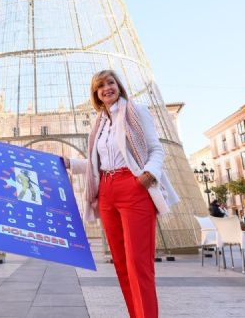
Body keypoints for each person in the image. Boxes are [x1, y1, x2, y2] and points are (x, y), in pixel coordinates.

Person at [63, 70, 178, 318]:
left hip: (133, 186)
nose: (107, 88)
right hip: (107, 191)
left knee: (139, 264)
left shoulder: (137, 112)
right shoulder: (100, 123)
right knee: (123, 265)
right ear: (96, 94)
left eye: (110, 83)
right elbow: (96, 164)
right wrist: (70, 163)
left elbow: (156, 149)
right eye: (100, 86)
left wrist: (148, 174)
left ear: (119, 86)